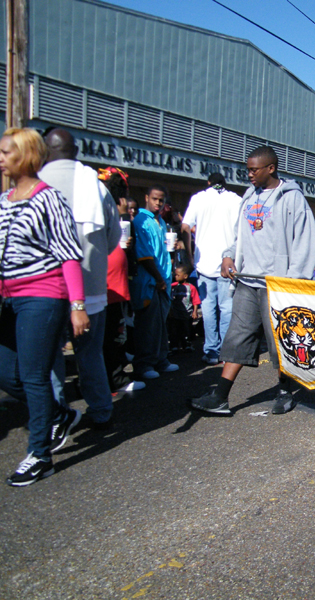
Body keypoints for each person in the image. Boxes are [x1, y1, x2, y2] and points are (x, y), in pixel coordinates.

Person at [190, 146, 315, 416]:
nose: (249, 174)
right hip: (248, 280)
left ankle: (285, 390)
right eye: (247, 169)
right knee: (237, 336)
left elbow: (305, 243)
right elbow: (240, 237)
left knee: (280, 341)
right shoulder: (249, 197)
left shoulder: (292, 198)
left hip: (277, 284)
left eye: (253, 169)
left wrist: (291, 283)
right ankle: (220, 396)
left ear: (270, 168)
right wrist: (228, 256)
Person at [0, 127, 89, 486]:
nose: (1, 158)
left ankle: (40, 455)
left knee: (35, 376)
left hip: (43, 295)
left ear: (25, 156)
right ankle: (57, 414)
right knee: (8, 373)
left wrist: (77, 305)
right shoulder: (5, 199)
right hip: (10, 298)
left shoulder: (48, 198)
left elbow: (69, 255)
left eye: (6, 152)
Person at [39, 128, 122, 432]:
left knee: (51, 358)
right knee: (90, 353)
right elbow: (113, 237)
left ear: (45, 151)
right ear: (75, 151)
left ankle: (56, 416)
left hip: (45, 287)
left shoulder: (34, 184)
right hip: (91, 287)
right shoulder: (95, 186)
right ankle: (101, 409)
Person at [181, 173, 242, 366]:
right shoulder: (236, 200)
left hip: (203, 263)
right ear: (225, 183)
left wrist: (190, 257)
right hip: (228, 262)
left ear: (209, 183)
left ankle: (211, 351)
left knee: (208, 309)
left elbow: (185, 227)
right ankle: (226, 352)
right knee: (227, 309)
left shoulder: (199, 198)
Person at [97, 166, 142, 393]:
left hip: (111, 278)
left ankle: (111, 376)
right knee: (112, 331)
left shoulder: (102, 203)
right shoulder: (108, 206)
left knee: (111, 330)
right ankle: (114, 378)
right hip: (108, 280)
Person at [130, 185, 178, 380]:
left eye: (161, 200)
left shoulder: (160, 221)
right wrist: (158, 278)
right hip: (150, 281)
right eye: (155, 199)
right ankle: (144, 364)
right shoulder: (141, 220)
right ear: (146, 198)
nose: (158, 203)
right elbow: (145, 255)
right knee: (148, 325)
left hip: (163, 280)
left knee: (160, 323)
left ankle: (160, 359)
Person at [168, 263, 201, 352]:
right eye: (175, 275)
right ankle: (174, 345)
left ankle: (187, 344)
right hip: (175, 313)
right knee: (174, 329)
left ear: (185, 276)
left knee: (187, 329)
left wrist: (195, 311)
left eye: (178, 275)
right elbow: (170, 299)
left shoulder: (191, 287)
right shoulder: (173, 286)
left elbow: (195, 300)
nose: (176, 276)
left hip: (187, 313)